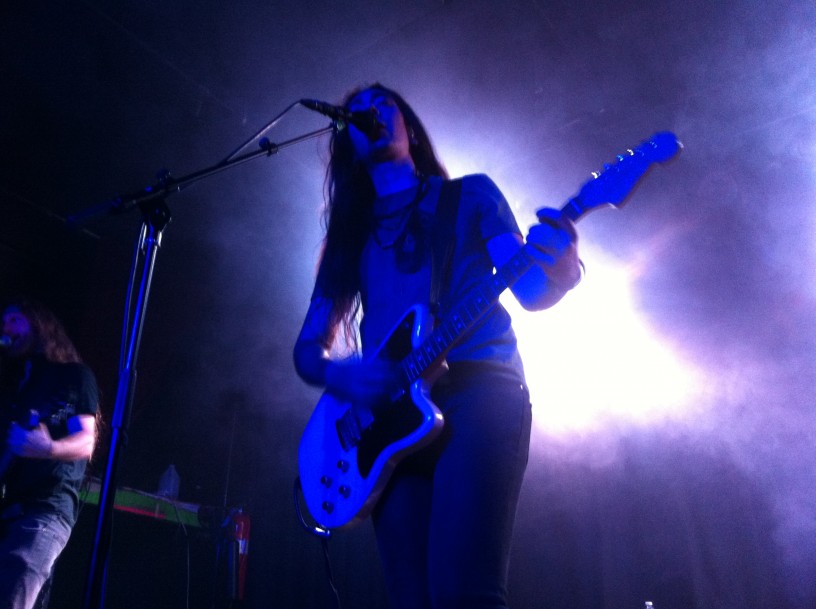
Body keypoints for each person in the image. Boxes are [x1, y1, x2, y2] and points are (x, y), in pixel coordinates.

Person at [293, 83, 582, 609]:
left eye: (383, 104)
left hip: (481, 389)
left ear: (408, 125)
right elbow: (308, 351)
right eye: (356, 113)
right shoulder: (349, 237)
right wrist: (346, 376)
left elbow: (531, 290)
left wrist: (563, 267)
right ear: (346, 142)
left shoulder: (471, 195)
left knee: (464, 593)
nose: (370, 113)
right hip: (389, 424)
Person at [0, 297, 99, 609]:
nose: (5, 327)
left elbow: (86, 441)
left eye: (14, 319)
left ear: (40, 325)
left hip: (43, 513)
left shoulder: (74, 376)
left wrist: (49, 447)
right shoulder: (18, 385)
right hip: (10, 512)